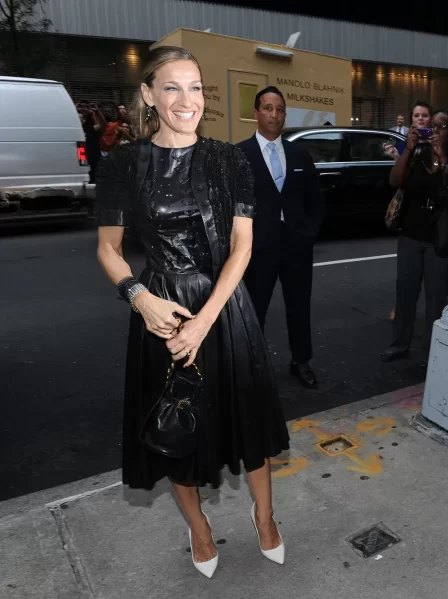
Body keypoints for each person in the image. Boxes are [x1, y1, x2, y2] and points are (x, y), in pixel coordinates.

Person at [95, 46, 289, 579]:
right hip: (161, 308)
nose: (188, 100)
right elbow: (109, 249)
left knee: (248, 423)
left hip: (223, 305)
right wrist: (139, 297)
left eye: (196, 87)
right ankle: (199, 528)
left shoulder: (229, 159)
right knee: (175, 426)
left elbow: (242, 247)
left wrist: (205, 321)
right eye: (173, 87)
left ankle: (265, 517)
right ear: (149, 95)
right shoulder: (123, 164)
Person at [238, 87, 325, 390]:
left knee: (299, 307)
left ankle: (301, 361)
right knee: (254, 310)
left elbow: (316, 199)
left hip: (296, 247)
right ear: (256, 113)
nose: (274, 115)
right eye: (268, 108)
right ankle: (253, 367)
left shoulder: (299, 154)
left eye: (279, 109)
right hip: (257, 249)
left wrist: (309, 233)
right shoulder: (240, 155)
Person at [381, 108, 448, 362]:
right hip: (411, 233)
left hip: (439, 237)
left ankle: (434, 349)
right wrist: (409, 148)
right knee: (405, 291)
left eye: (441, 126)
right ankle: (399, 344)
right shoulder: (416, 152)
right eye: (432, 125)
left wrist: (443, 160)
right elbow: (395, 180)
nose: (435, 130)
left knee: (436, 296)